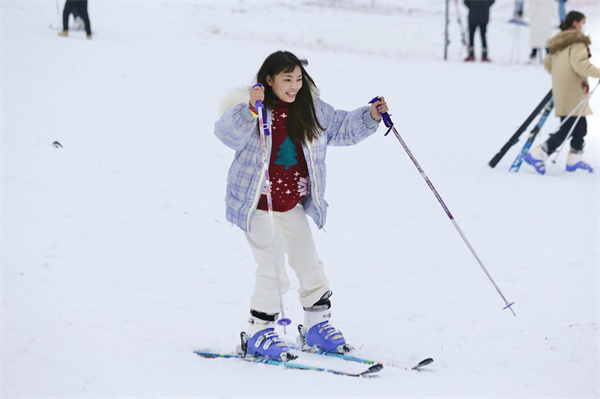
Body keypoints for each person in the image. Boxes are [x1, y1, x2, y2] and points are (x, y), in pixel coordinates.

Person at [214, 51, 387, 360]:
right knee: (272, 267)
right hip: (257, 205)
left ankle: (317, 327)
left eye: (298, 80)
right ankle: (259, 332)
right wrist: (249, 111)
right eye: (286, 80)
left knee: (309, 264)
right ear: (269, 80)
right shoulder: (255, 109)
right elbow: (226, 134)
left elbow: (341, 128)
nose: (293, 87)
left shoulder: (311, 110)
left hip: (291, 204)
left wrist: (370, 117)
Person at [525, 11, 600, 174]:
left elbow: (547, 64)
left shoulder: (558, 43)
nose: (582, 26)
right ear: (574, 23)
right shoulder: (577, 43)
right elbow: (580, 65)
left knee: (580, 127)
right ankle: (539, 153)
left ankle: (574, 160)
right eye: (582, 23)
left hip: (563, 89)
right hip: (573, 91)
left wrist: (561, 75)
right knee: (568, 128)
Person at [527, 0, 554, 64]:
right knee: (546, 40)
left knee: (536, 39)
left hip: (537, 23)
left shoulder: (535, 2)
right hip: (546, 23)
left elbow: (530, 12)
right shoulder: (548, 2)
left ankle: (534, 54)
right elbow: (552, 12)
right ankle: (548, 55)